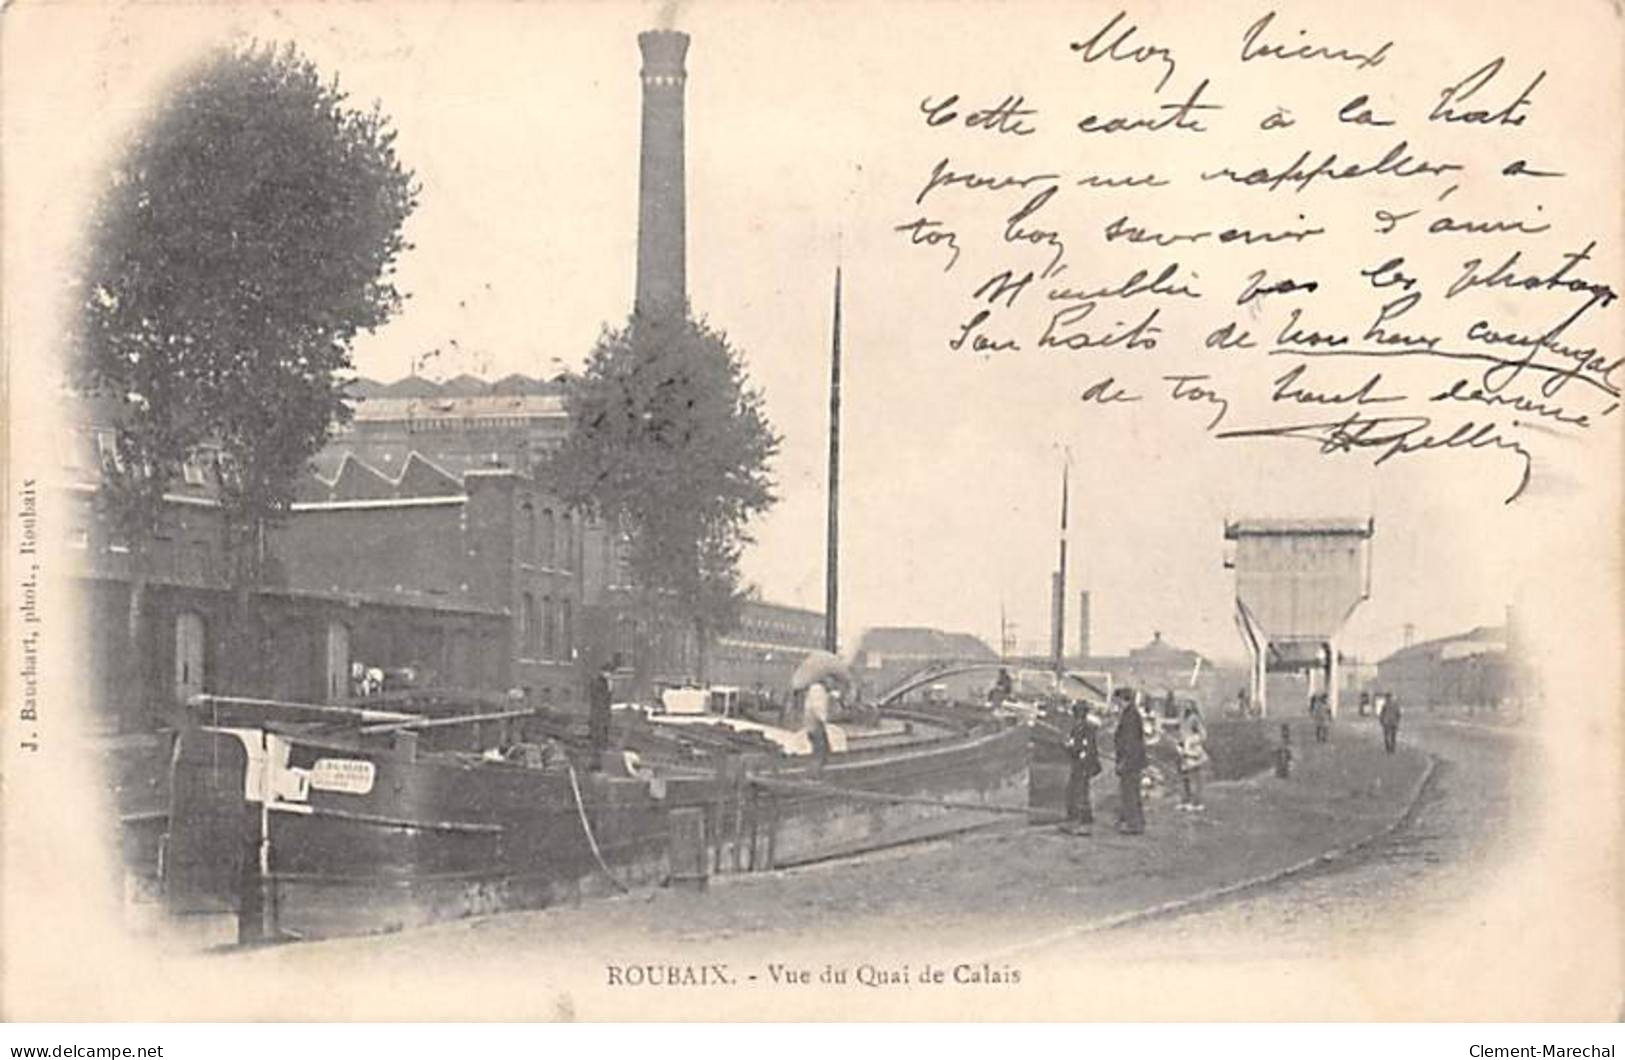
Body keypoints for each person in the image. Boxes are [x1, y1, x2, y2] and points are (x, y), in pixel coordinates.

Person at [1062, 704, 1102, 835]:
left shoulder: (1088, 729)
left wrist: (1078, 752)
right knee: (1074, 791)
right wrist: (1069, 747)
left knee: (1081, 792)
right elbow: (1075, 744)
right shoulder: (1076, 728)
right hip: (1077, 763)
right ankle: (1076, 820)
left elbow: (1089, 748)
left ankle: (1083, 823)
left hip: (1084, 764)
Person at [1114, 694, 1148, 834]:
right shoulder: (1133, 714)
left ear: (1124, 700)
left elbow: (1129, 742)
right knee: (1133, 791)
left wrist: (1124, 761)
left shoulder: (1129, 717)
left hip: (1130, 761)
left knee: (1129, 791)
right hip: (1134, 760)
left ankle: (1132, 823)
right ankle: (1133, 820)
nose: (1117, 705)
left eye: (1117, 701)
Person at [1177, 703, 1210, 811]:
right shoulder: (1183, 720)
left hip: (1193, 752)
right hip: (1184, 752)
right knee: (1185, 778)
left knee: (1195, 778)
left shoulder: (1194, 719)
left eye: (1187, 706)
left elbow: (1203, 735)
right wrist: (1181, 743)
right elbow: (1182, 734)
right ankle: (1186, 800)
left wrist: (1192, 740)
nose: (1184, 708)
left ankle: (1196, 802)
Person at [587, 659, 614, 772]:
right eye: (608, 672)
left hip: (604, 715)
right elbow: (600, 700)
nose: (610, 675)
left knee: (603, 739)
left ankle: (600, 763)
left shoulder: (606, 683)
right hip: (598, 715)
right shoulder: (598, 683)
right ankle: (596, 764)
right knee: (598, 739)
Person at [803, 678, 833, 772]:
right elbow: (818, 709)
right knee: (820, 751)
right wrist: (825, 718)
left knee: (823, 749)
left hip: (813, 725)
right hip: (815, 725)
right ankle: (813, 775)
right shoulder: (818, 691)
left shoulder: (817, 690)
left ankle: (818, 772)